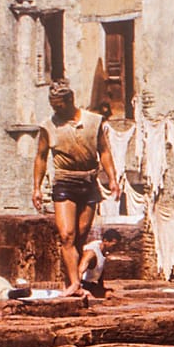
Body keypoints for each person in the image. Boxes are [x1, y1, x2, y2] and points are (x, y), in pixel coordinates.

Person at [30, 81, 121, 298]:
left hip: (88, 182)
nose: (55, 110)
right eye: (52, 105)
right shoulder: (48, 126)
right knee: (66, 235)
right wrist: (37, 187)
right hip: (64, 182)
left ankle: (72, 281)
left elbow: (104, 151)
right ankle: (74, 284)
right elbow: (41, 158)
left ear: (70, 100)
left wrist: (112, 179)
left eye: (59, 105)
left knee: (80, 236)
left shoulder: (94, 121)